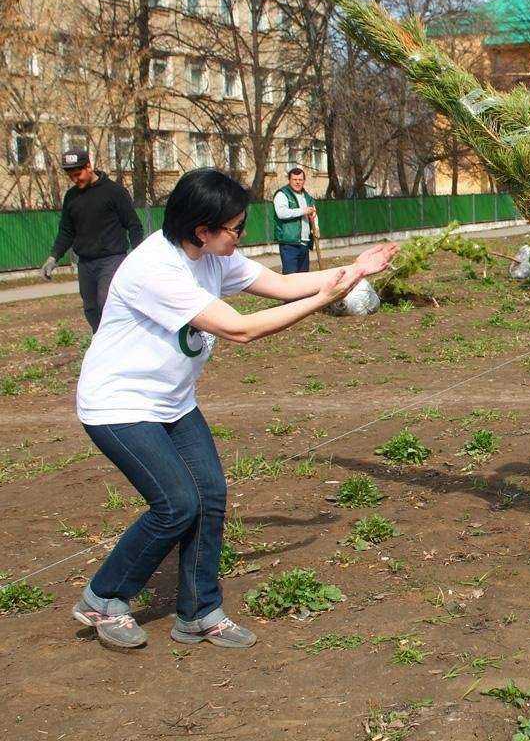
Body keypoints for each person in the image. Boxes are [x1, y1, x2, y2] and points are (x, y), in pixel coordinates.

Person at [72, 168, 396, 649]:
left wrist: (354, 271)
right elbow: (242, 329)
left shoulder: (212, 257)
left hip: (173, 403)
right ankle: (103, 599)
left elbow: (286, 285)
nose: (240, 236)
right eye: (235, 228)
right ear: (202, 229)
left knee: (209, 497)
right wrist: (326, 299)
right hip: (118, 405)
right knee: (176, 504)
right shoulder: (155, 271)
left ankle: (199, 613)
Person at [42, 149, 144, 332]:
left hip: (112, 260)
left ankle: (116, 343)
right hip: (86, 264)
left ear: (89, 166)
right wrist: (53, 258)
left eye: (78, 174)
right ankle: (101, 342)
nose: (75, 179)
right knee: (91, 309)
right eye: (71, 176)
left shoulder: (114, 192)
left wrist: (137, 257)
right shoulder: (71, 197)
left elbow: (134, 225)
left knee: (107, 304)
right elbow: (66, 231)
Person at [273, 166, 319, 274]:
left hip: (304, 243)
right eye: (294, 180)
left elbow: (313, 213)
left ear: (304, 181)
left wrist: (316, 227)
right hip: (289, 243)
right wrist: (303, 211)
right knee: (291, 277)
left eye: (300, 180)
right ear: (289, 180)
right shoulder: (282, 194)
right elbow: (282, 213)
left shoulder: (307, 197)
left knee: (303, 277)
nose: (297, 182)